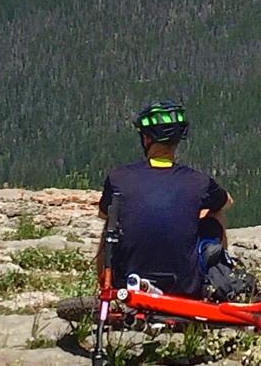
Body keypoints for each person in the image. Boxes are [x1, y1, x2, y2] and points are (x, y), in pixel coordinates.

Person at [97, 101, 232, 297]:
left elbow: (103, 214)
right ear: (177, 141)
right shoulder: (198, 181)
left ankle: (105, 287)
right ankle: (218, 282)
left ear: (146, 139)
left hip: (126, 283)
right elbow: (226, 201)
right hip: (185, 288)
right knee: (216, 212)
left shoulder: (119, 177)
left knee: (111, 218)